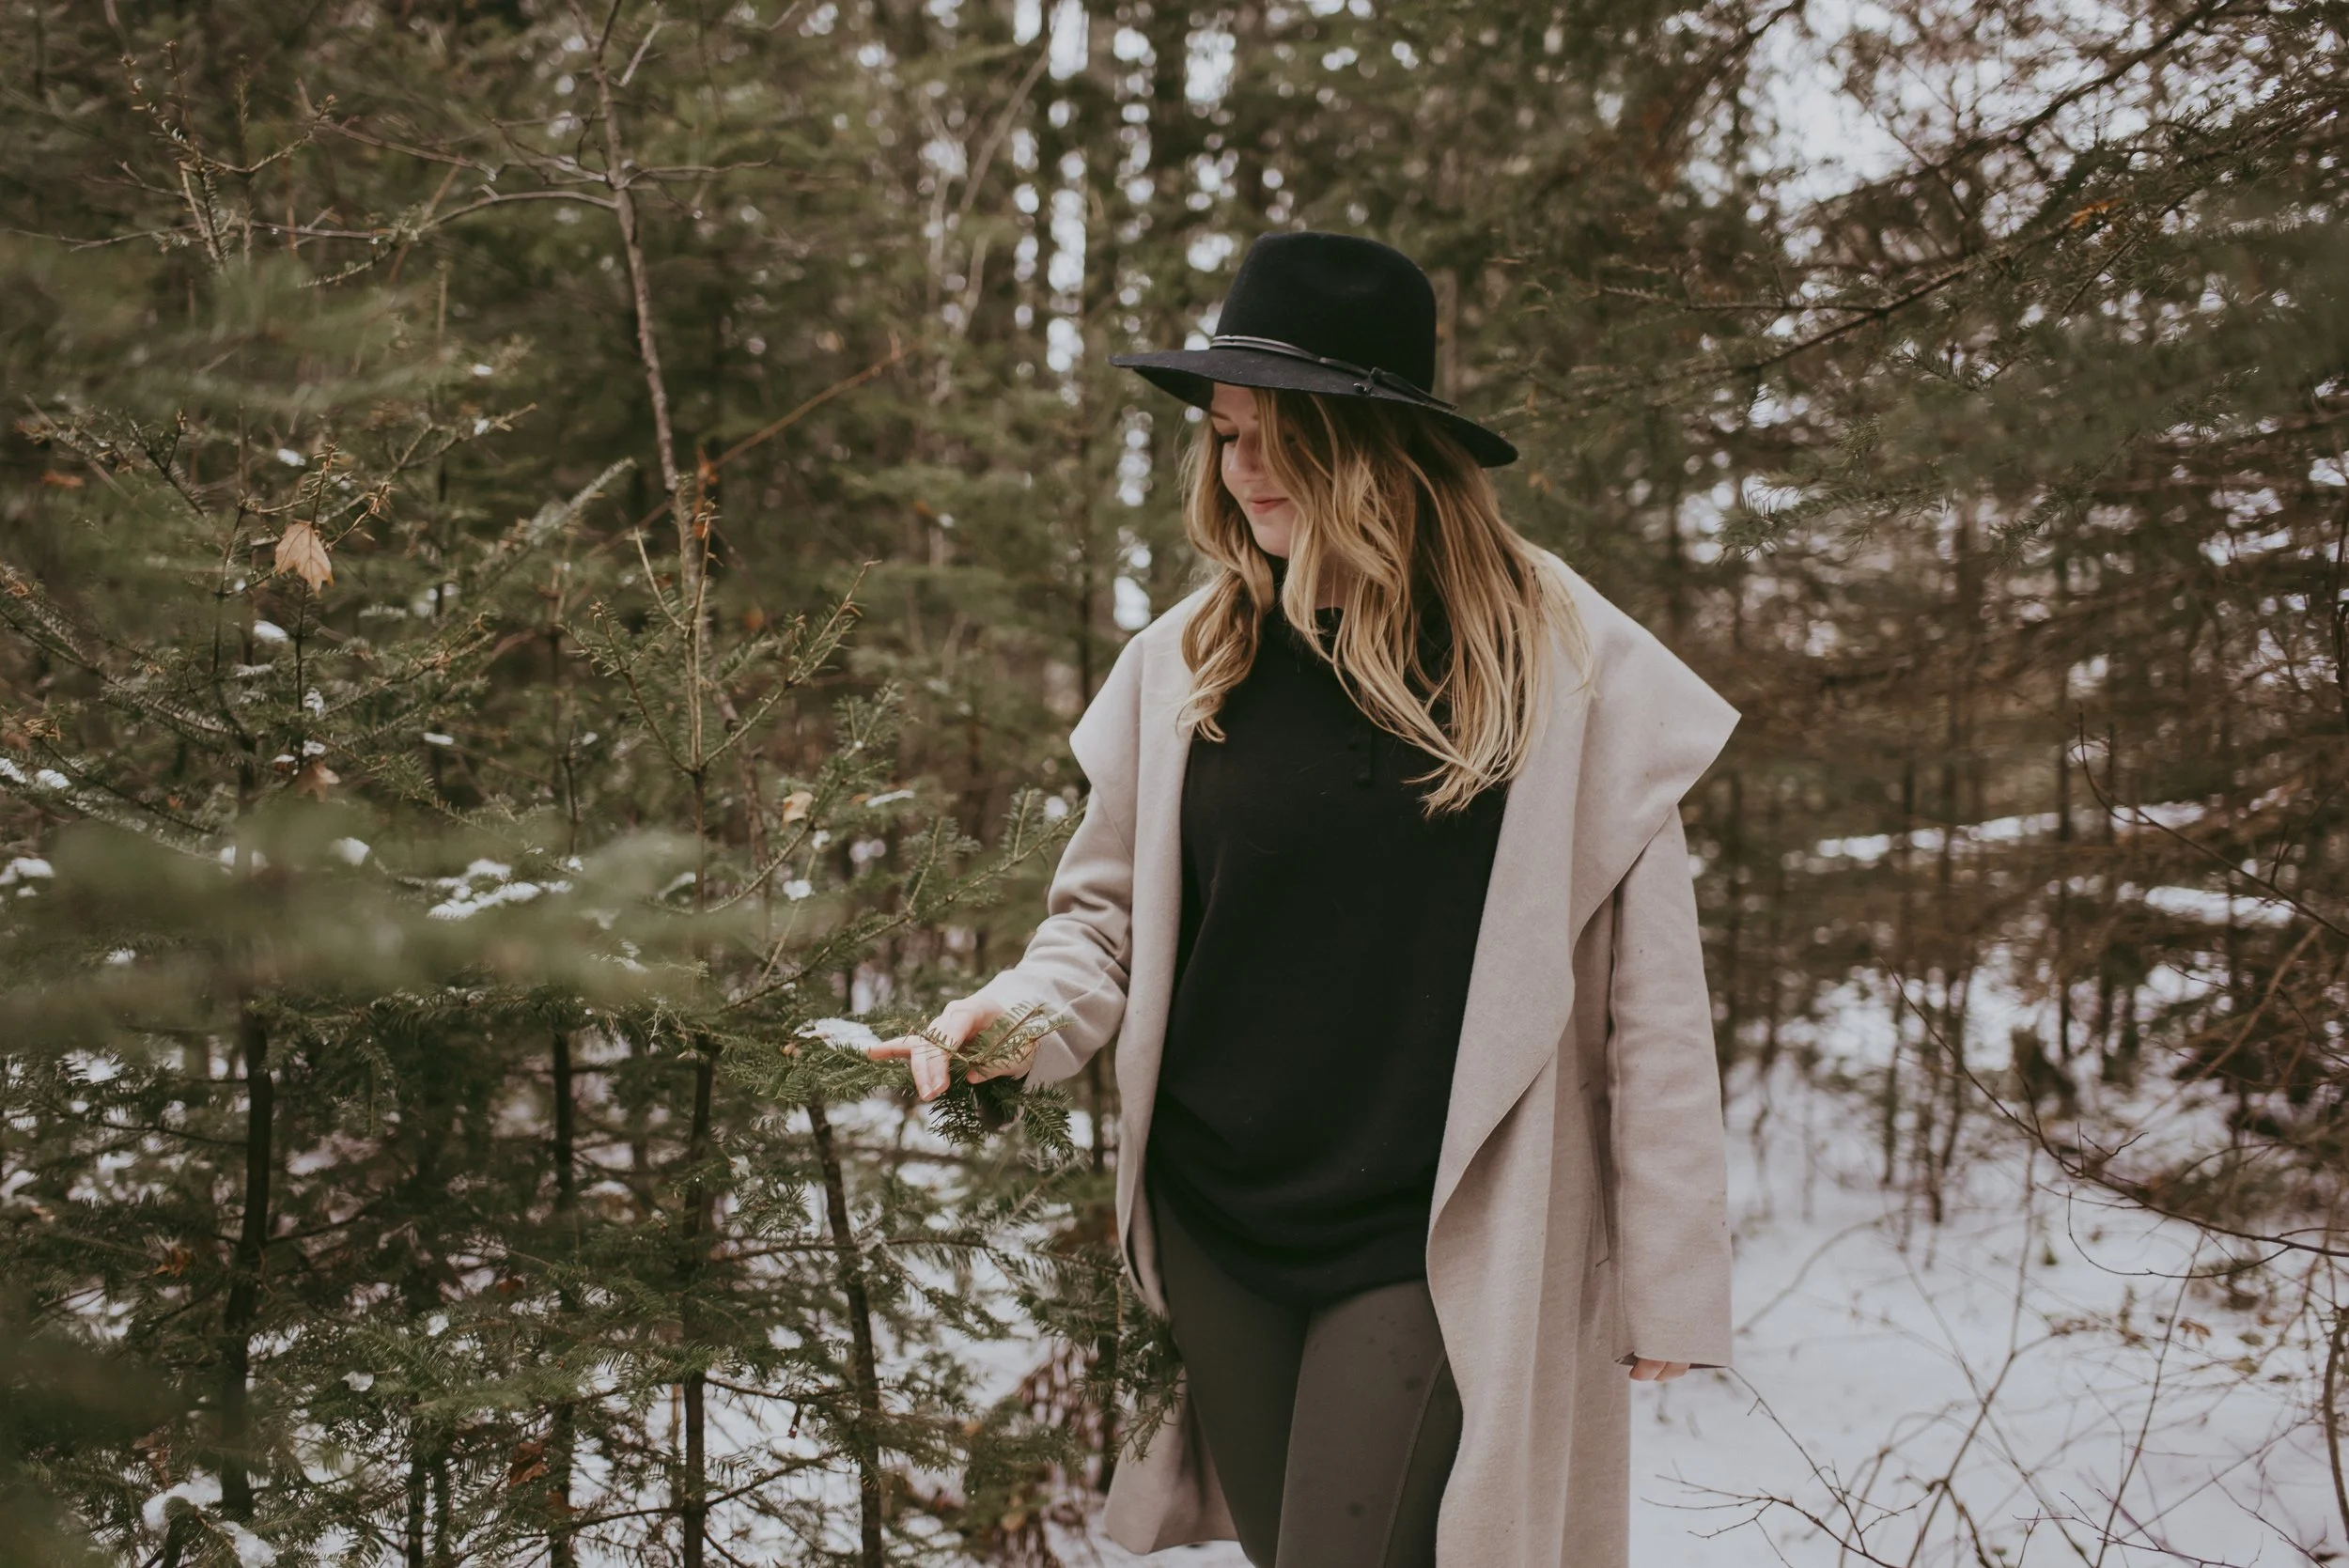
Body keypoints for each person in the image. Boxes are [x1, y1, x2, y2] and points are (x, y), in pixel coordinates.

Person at [870, 231, 1738, 1568]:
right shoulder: (1191, 659)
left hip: (1430, 1233)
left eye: (1284, 435)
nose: (1243, 467)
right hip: (1217, 1221)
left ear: (1383, 448)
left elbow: (1653, 1005)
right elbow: (1102, 924)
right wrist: (1008, 1022)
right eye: (1226, 433)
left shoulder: (1563, 670)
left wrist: (1671, 1273)